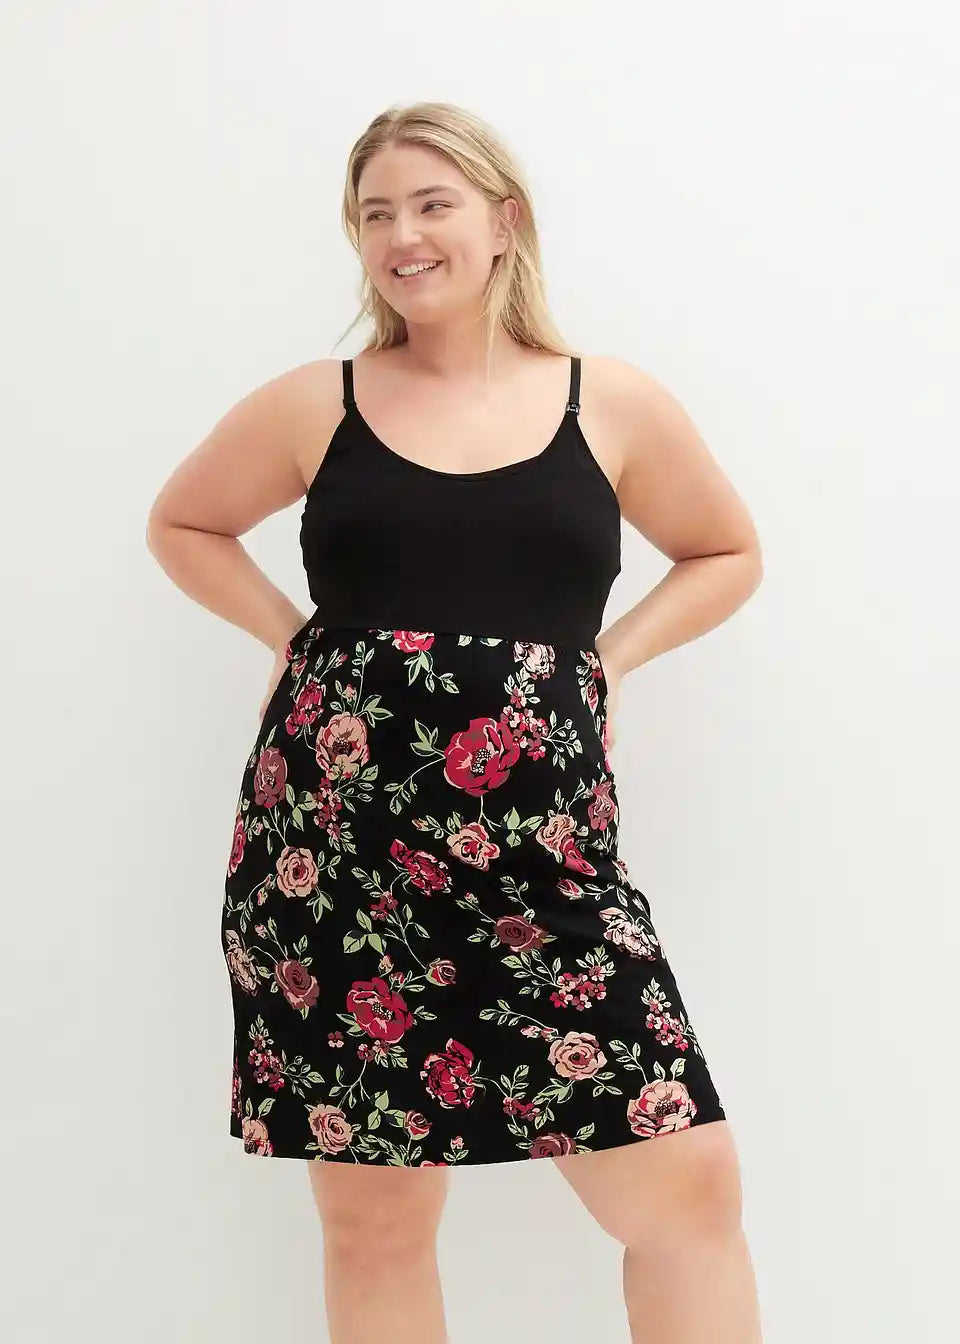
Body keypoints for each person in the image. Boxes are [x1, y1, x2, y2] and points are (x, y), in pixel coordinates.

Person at [147, 101, 764, 1344]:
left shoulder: (611, 402)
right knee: (376, 1223)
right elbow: (183, 522)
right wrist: (292, 639)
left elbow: (725, 551)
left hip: (546, 859)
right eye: (374, 213)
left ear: (503, 222)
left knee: (686, 1190)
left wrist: (604, 666)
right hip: (336, 860)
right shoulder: (317, 403)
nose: (402, 236)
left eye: (432, 204)